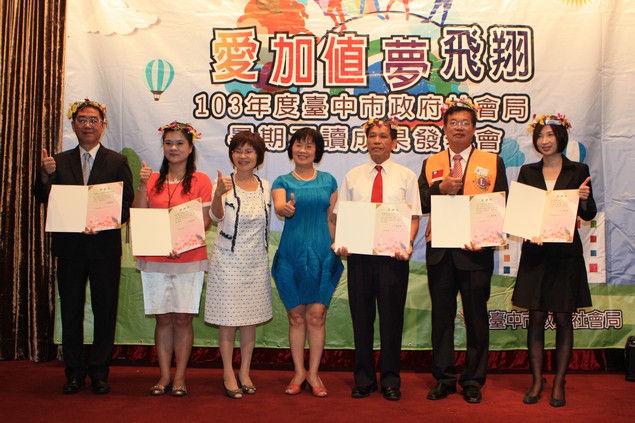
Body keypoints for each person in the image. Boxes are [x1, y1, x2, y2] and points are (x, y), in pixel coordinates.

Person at [34, 98, 134, 394]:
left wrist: (104, 222)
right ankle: (74, 372)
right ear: (73, 124)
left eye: (93, 120)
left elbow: (126, 204)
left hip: (104, 248)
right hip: (70, 249)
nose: (88, 125)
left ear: (103, 125)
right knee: (71, 311)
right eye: (82, 120)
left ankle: (100, 371)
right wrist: (44, 175)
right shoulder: (58, 161)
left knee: (105, 310)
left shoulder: (117, 161)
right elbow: (43, 197)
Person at [418, 98, 508, 404]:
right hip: (441, 252)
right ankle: (444, 378)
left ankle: (473, 380)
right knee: (441, 318)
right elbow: (419, 201)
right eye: (453, 123)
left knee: (476, 317)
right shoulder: (431, 163)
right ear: (444, 128)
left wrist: (487, 237)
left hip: (475, 252)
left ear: (473, 128)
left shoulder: (491, 161)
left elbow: (500, 203)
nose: (459, 128)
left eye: (465, 123)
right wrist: (439, 189)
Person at [334, 118, 421, 401]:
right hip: (359, 258)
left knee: (391, 320)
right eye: (372, 135)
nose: (377, 141)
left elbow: (414, 217)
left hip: (393, 258)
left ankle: (391, 380)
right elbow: (343, 216)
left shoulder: (406, 176)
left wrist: (407, 243)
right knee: (361, 319)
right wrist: (342, 241)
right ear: (366, 141)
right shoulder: (353, 176)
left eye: (383, 136)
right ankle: (364, 379)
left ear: (393, 142)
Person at [512, 114, 596, 407]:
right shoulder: (527, 172)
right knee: (535, 317)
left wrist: (583, 198)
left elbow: (588, 214)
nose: (544, 141)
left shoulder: (578, 170)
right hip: (535, 255)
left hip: (565, 257)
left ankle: (559, 380)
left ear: (561, 137)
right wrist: (528, 230)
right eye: (540, 136)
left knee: (563, 318)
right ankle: (537, 380)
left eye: (549, 135)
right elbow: (520, 213)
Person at [133, 121, 212, 397]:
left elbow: (204, 221)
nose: (174, 148)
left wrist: (181, 243)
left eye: (179, 143)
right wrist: (142, 185)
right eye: (168, 143)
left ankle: (180, 376)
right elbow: (139, 215)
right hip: (155, 258)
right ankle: (164, 375)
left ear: (190, 148)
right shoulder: (152, 178)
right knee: (163, 319)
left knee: (182, 319)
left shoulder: (201, 180)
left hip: (188, 258)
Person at [271, 128, 343, 397]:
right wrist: (285, 209)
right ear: (291, 149)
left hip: (323, 255)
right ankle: (298, 372)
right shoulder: (281, 181)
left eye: (309, 146)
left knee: (316, 316)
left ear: (317, 151)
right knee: (296, 316)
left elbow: (332, 219)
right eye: (298, 145)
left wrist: (338, 244)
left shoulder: (329, 181)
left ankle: (313, 373)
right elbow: (280, 206)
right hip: (291, 256)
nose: (303, 150)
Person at [204, 131, 272, 400]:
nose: (243, 156)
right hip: (228, 261)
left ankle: (244, 371)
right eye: (238, 151)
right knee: (228, 319)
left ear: (258, 156)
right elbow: (215, 216)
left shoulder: (266, 185)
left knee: (249, 319)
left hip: (256, 261)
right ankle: (227, 373)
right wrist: (218, 195)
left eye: (249, 151)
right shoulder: (222, 183)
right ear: (231, 155)